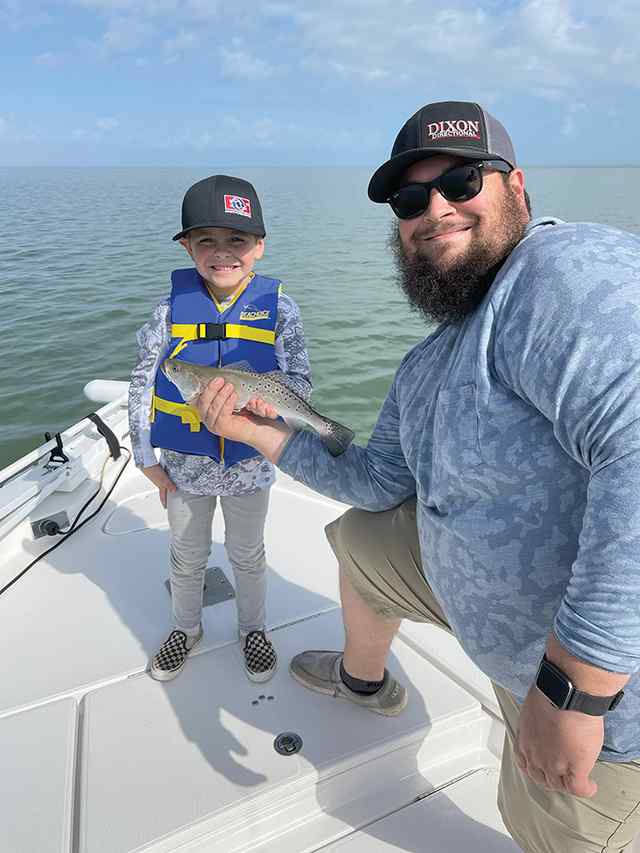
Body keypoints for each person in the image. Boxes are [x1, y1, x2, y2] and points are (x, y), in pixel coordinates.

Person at [191, 102, 640, 852]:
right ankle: (364, 679)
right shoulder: (430, 360)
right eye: (410, 200)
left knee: (547, 830)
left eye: (462, 182)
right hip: (488, 604)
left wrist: (575, 688)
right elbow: (378, 483)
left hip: (591, 689)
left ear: (517, 187)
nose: (435, 209)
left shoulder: (561, 276)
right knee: (363, 538)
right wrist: (258, 429)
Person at [128, 174, 312, 684]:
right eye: (206, 240)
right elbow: (143, 385)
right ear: (187, 246)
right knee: (185, 556)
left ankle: (253, 628)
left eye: (238, 240)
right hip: (185, 468)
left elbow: (300, 382)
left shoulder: (283, 309)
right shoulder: (168, 312)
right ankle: (184, 628)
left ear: (259, 248)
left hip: (251, 467)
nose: (222, 253)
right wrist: (146, 460)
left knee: (247, 555)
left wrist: (273, 411)